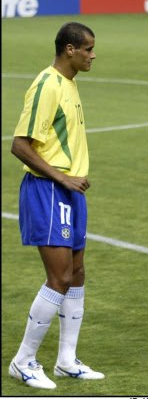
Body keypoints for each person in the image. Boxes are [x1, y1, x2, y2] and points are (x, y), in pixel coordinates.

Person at [8, 22, 105, 390]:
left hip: (70, 192)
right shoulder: (47, 85)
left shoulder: (69, 83)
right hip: (49, 190)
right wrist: (63, 178)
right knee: (60, 277)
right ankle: (23, 361)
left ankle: (66, 360)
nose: (93, 54)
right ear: (69, 49)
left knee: (77, 274)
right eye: (88, 48)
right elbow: (20, 144)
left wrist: (71, 182)